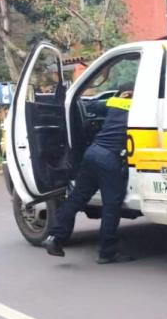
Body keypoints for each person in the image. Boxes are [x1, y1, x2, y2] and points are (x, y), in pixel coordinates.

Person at [43, 91, 135, 263]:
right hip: (111, 158)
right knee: (111, 205)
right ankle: (107, 251)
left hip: (92, 152)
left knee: (77, 198)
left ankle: (55, 237)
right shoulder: (140, 107)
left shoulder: (114, 102)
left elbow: (89, 106)